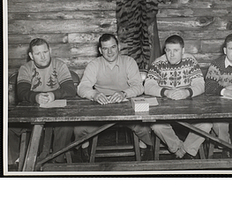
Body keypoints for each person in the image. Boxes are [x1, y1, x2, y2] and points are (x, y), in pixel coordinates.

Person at [74, 33, 153, 161]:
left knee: (144, 127)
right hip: (101, 104)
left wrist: (124, 93)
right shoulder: (94, 64)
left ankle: (143, 149)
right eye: (105, 48)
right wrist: (95, 95)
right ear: (100, 50)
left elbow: (139, 87)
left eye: (113, 47)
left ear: (119, 47)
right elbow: (82, 88)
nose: (110, 52)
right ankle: (84, 149)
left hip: (126, 104)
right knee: (80, 128)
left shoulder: (129, 62)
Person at [8, 38, 76, 169]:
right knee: (11, 127)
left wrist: (53, 94)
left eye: (45, 52)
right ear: (31, 56)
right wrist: (36, 97)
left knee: (67, 126)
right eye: (38, 54)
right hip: (32, 110)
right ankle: (14, 165)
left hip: (57, 110)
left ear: (50, 51)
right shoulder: (25, 68)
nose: (43, 56)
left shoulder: (59, 65)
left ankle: (56, 162)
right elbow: (22, 92)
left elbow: (70, 89)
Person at [144, 35, 212, 159]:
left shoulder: (190, 61)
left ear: (183, 51)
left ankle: (187, 151)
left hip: (189, 109)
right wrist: (166, 92)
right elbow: (147, 86)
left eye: (176, 50)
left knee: (206, 124)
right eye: (168, 50)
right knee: (157, 126)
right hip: (165, 110)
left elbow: (200, 84)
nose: (172, 54)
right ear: (165, 50)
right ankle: (178, 148)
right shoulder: (158, 63)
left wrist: (187, 92)